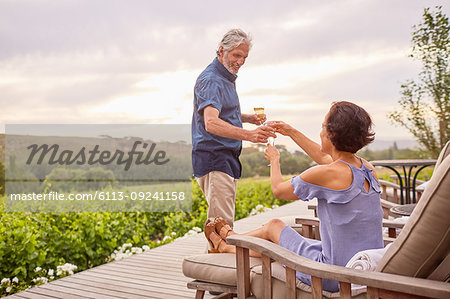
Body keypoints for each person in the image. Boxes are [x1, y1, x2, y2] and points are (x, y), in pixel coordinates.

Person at [204, 101, 384, 292]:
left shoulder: (326, 173)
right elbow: (324, 157)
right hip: (367, 267)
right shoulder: (367, 168)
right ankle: (227, 246)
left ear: (332, 133)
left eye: (322, 127)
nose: (320, 132)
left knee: (274, 226)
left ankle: (230, 238)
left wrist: (274, 160)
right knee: (289, 243)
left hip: (333, 274)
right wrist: (290, 131)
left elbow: (279, 190)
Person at [192, 29, 276, 229]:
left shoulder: (226, 77)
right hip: (215, 157)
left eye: (244, 57)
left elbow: (220, 113)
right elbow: (211, 123)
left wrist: (247, 118)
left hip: (225, 157)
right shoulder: (212, 80)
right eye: (236, 55)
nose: (240, 61)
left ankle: (215, 258)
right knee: (221, 229)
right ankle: (212, 261)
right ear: (221, 51)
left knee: (222, 227)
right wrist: (250, 135)